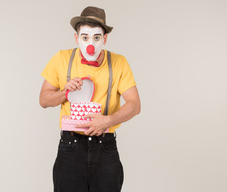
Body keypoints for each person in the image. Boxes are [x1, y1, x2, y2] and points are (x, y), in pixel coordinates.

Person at [39, 6, 141, 192]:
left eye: (96, 37)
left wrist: (108, 120)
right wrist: (64, 93)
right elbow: (44, 100)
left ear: (105, 38)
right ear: (77, 38)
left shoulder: (119, 62)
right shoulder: (61, 59)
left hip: (105, 145)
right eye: (85, 37)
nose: (90, 44)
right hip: (70, 146)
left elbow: (135, 104)